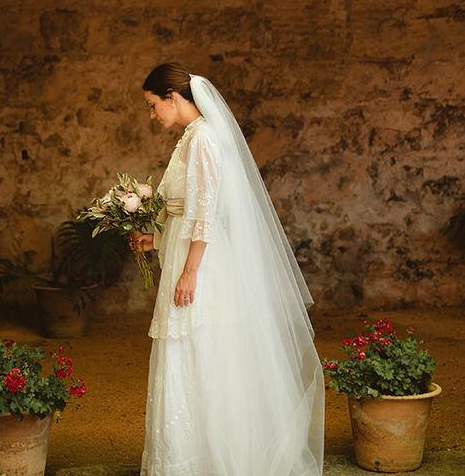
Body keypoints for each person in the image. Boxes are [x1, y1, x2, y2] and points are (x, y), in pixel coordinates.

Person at [132, 63, 324, 475]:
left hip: (199, 262)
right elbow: (184, 211)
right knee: (188, 352)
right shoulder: (190, 137)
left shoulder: (203, 138)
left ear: (172, 96)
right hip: (185, 250)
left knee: (198, 351)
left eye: (153, 106)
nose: (152, 116)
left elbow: (206, 211)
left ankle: (204, 462)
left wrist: (190, 271)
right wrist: (156, 239)